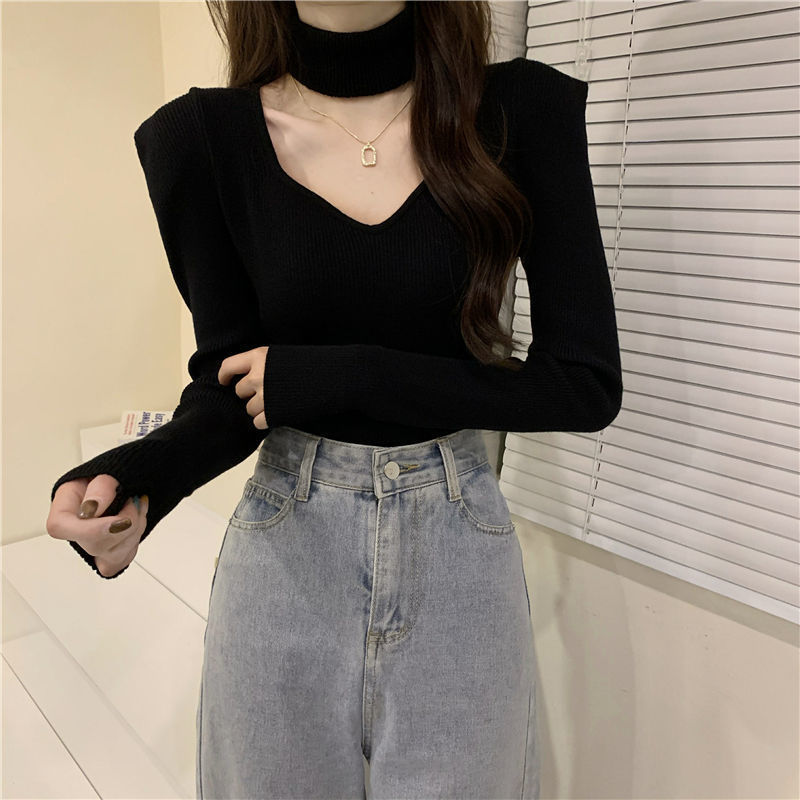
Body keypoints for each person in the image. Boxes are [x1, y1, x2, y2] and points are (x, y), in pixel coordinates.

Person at [46, 1, 623, 797]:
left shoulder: (519, 110)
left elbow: (583, 384)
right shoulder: (201, 139)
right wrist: (140, 480)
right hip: (286, 553)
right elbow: (230, 387)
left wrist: (352, 376)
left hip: (458, 555)